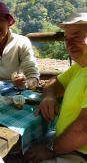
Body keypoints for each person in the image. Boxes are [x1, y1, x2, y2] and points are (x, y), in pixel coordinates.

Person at [24, 12, 87, 162]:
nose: (70, 44)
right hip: (65, 143)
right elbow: (54, 82)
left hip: (79, 153)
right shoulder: (81, 66)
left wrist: (51, 150)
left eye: (77, 36)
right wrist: (49, 96)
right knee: (20, 151)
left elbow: (84, 128)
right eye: (67, 39)